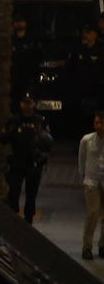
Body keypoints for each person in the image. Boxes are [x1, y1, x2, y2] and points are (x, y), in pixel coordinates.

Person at [1, 93, 53, 224]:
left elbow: (48, 143)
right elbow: (3, 140)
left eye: (29, 103)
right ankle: (13, 222)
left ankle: (28, 222)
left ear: (34, 104)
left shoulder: (40, 121)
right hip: (16, 164)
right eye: (25, 103)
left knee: (31, 197)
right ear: (21, 104)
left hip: (33, 164)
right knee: (13, 195)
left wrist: (43, 158)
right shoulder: (13, 121)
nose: (27, 106)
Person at [67, 24, 104, 131]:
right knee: (80, 116)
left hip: (96, 89)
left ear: (95, 35)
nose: (86, 35)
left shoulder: (101, 49)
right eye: (85, 33)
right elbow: (71, 66)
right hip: (81, 88)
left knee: (96, 116)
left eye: (89, 33)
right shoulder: (79, 49)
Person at [79, 111, 104, 260]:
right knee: (93, 213)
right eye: (96, 123)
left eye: (101, 123)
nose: (98, 126)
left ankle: (102, 246)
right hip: (91, 182)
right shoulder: (86, 140)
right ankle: (87, 247)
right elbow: (81, 159)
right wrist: (82, 177)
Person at [10, 14, 41, 105]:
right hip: (13, 77)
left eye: (21, 22)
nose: (19, 24)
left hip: (27, 77)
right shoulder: (11, 39)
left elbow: (36, 57)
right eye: (17, 22)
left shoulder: (31, 40)